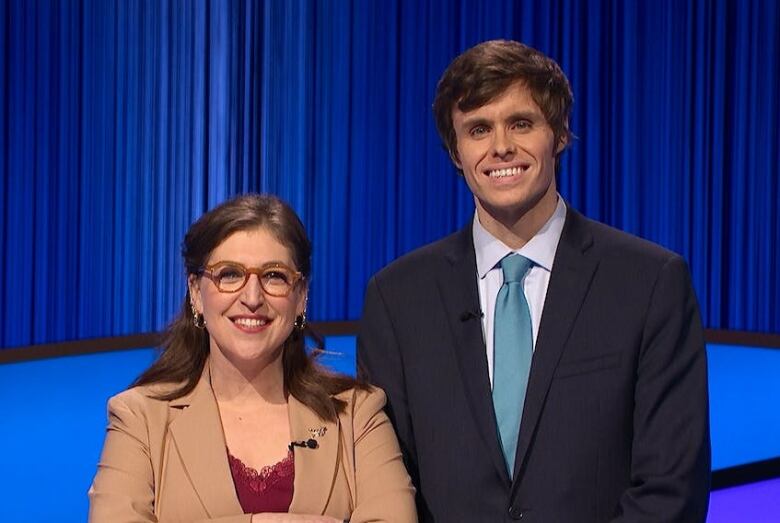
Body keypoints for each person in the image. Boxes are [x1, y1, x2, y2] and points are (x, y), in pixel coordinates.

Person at [358, 40, 710, 522]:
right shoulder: (397, 299)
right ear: (456, 152)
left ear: (560, 134)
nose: (501, 146)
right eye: (478, 129)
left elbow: (673, 488)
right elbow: (387, 487)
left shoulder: (649, 283)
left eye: (521, 123)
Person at [89, 194, 417, 522]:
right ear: (195, 293)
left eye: (274, 276)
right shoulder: (140, 421)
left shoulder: (357, 415)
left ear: (301, 295)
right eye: (229, 274)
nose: (252, 298)